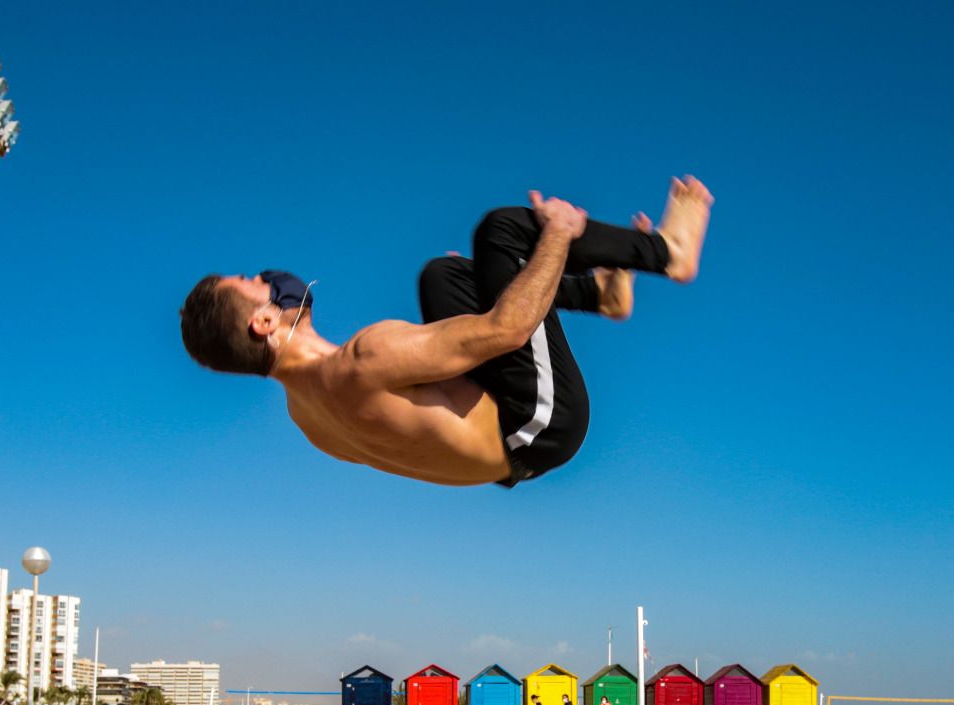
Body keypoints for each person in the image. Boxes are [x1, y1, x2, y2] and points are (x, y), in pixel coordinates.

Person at [179, 178, 713, 487]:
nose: (264, 277)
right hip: (539, 425)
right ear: (266, 321)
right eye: (251, 284)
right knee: (502, 231)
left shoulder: (307, 417)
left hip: (508, 457)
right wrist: (558, 234)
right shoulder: (367, 356)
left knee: (448, 273)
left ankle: (601, 296)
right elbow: (510, 329)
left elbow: (428, 424)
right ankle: (669, 253)